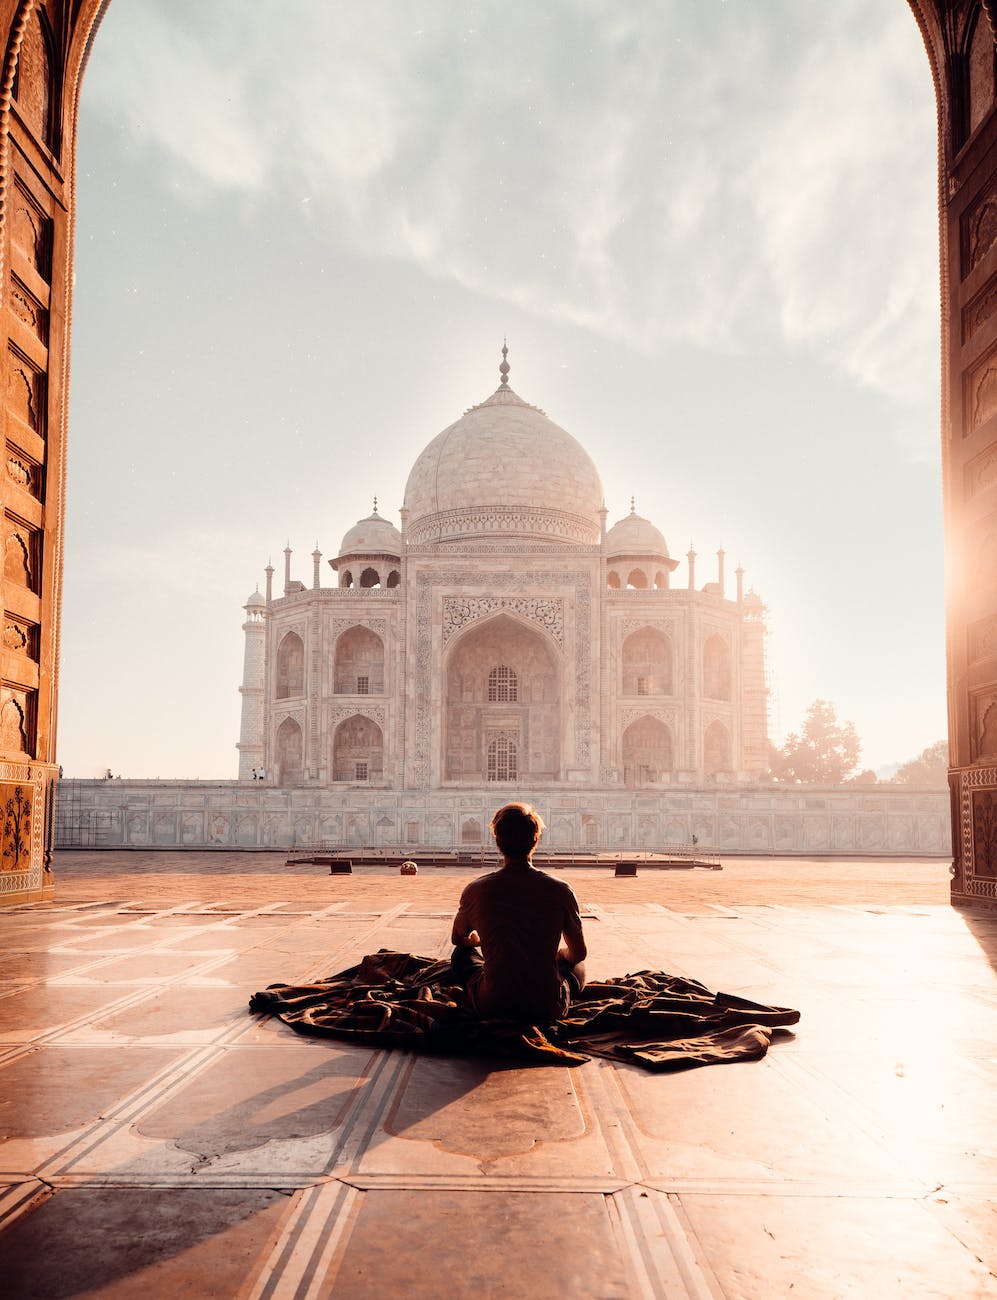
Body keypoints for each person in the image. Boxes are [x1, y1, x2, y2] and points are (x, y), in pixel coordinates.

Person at [450, 802, 587, 1022]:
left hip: (493, 1005)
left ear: (497, 841)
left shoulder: (477, 889)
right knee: (577, 965)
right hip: (546, 1007)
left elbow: (458, 938)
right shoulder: (560, 890)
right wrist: (560, 955)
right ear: (536, 839)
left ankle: (480, 990)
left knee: (461, 956)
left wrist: (481, 942)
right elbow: (578, 953)